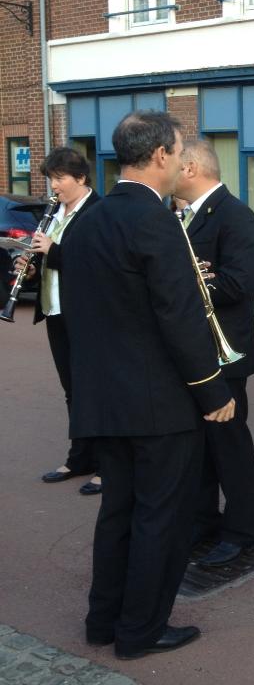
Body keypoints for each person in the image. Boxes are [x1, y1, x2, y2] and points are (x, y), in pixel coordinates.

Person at [60, 111, 235, 659]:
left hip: (104, 400)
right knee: (162, 518)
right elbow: (178, 318)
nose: (184, 159)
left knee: (118, 512)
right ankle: (140, 631)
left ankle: (104, 621)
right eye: (180, 150)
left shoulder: (87, 220)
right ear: (161, 155)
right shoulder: (156, 222)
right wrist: (213, 390)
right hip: (158, 405)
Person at [173, 139, 254, 568]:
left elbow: (238, 285)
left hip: (224, 354)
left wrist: (187, 284)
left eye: (174, 164)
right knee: (199, 446)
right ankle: (203, 520)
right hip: (194, 353)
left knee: (230, 446)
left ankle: (241, 531)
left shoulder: (235, 215)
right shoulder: (180, 217)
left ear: (189, 168)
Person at [14, 148, 102, 495]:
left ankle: (108, 466)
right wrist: (33, 270)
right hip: (56, 311)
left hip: (88, 315)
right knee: (73, 392)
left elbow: (96, 266)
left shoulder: (97, 213)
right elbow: (55, 265)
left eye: (60, 178)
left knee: (96, 392)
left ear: (80, 178)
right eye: (50, 178)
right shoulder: (56, 214)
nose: (54, 185)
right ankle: (80, 457)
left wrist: (53, 250)